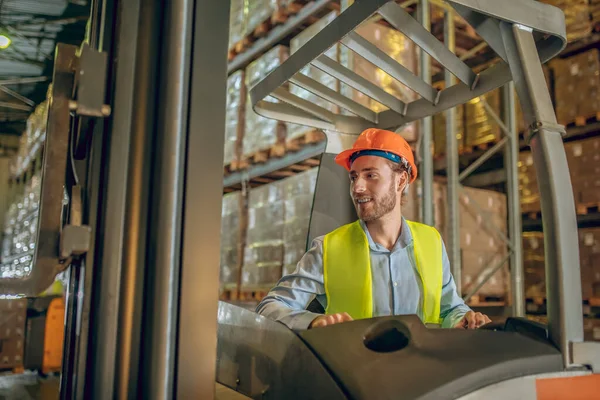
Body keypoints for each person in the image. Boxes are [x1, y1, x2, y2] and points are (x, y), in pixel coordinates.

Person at [256, 128, 491, 330]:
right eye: (354, 177)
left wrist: (464, 318)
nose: (357, 187)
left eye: (371, 176)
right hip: (355, 377)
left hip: (423, 374)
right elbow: (270, 307)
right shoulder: (328, 248)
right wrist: (313, 321)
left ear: (400, 181)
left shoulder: (431, 242)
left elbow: (450, 307)